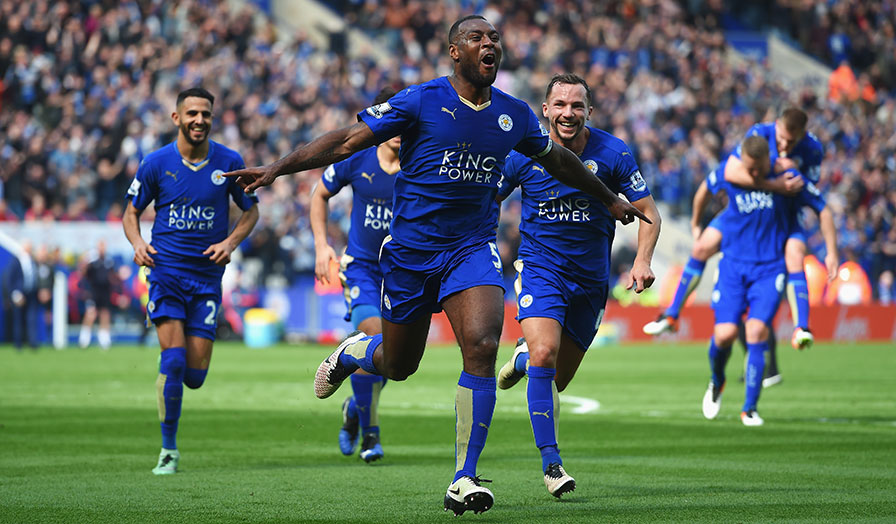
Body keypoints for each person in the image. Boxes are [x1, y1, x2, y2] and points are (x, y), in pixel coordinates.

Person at [225, 15, 648, 515]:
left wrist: (610, 200)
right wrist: (275, 169)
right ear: (454, 52)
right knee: (399, 366)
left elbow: (558, 161)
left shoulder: (512, 114)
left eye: (494, 38)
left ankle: (463, 478)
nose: (489, 43)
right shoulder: (420, 100)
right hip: (409, 256)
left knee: (484, 344)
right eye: (477, 37)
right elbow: (344, 141)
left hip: (471, 250)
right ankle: (357, 353)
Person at [494, 73, 661, 497]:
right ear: (545, 110)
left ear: (589, 112)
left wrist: (642, 260)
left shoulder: (613, 152)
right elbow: (485, 198)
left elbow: (648, 212)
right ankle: (552, 464)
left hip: (590, 280)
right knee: (545, 353)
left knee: (556, 379)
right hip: (540, 269)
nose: (568, 113)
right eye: (560, 105)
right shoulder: (523, 151)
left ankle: (523, 360)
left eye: (577, 106)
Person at [122, 87, 259, 475]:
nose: (199, 120)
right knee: (176, 360)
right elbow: (130, 213)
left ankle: (175, 379)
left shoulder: (229, 162)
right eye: (192, 113)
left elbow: (251, 213)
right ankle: (168, 449)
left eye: (206, 114)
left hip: (206, 280)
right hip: (165, 273)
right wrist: (137, 243)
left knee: (195, 377)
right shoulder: (155, 163)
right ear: (176, 118)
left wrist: (230, 241)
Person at [644, 109, 825, 355]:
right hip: (740, 215)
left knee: (794, 255)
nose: (783, 145)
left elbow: (810, 192)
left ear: (802, 135)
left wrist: (791, 176)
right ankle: (671, 315)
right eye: (780, 138)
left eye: (790, 142)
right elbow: (729, 172)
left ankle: (801, 328)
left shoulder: (812, 150)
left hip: (784, 216)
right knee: (701, 247)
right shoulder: (759, 135)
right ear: (775, 127)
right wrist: (696, 223)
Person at [700, 136, 837, 427]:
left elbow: (822, 207)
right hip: (734, 266)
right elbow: (705, 188)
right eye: (747, 167)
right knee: (724, 335)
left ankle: (749, 408)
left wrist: (831, 251)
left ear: (767, 160)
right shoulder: (733, 172)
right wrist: (695, 222)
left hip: (770, 267)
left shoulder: (789, 178)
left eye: (756, 167)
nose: (752, 173)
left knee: (756, 331)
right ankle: (717, 379)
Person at [310, 86, 401, 463]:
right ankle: (371, 437)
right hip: (361, 268)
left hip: (402, 274)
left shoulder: (425, 162)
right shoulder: (358, 158)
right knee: (373, 336)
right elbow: (319, 194)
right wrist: (321, 244)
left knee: (394, 360)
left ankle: (353, 410)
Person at [79, 239, 118, 350]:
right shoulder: (92, 262)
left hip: (105, 291)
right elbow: (83, 274)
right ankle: (84, 338)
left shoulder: (109, 261)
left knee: (105, 314)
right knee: (91, 313)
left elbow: (112, 276)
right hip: (93, 291)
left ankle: (104, 339)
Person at [2, 240, 38, 349]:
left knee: (31, 319)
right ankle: (18, 344)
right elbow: (9, 279)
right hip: (19, 295)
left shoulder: (33, 261)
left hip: (31, 294)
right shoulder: (15, 261)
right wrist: (15, 294)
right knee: (18, 320)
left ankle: (32, 343)